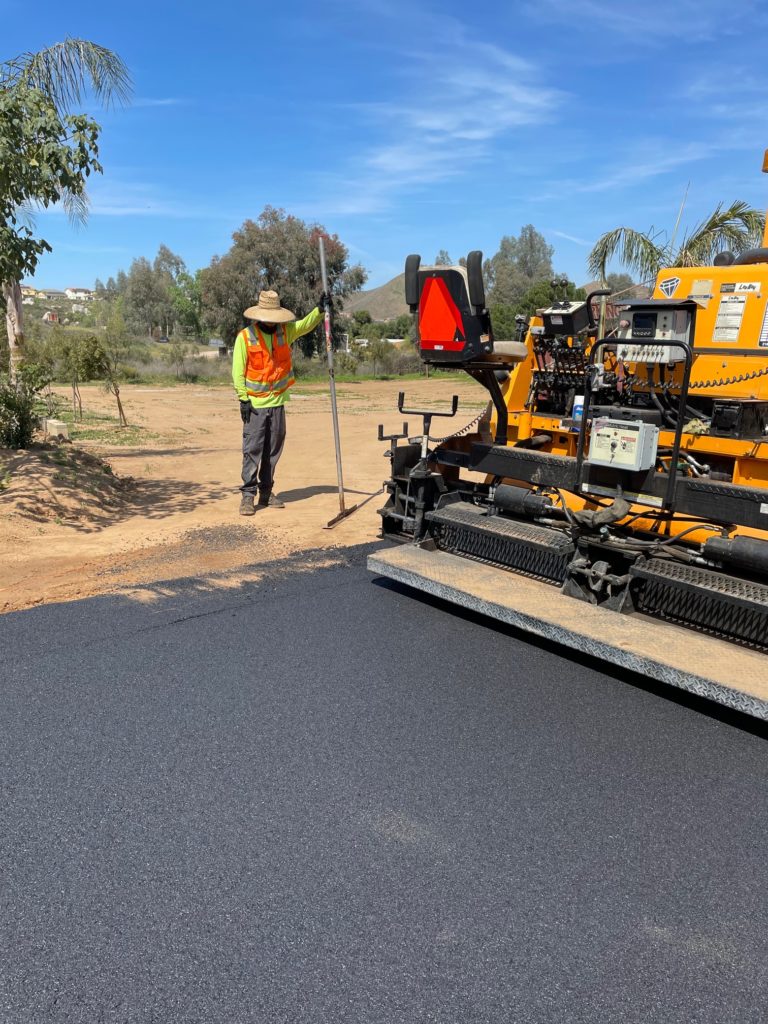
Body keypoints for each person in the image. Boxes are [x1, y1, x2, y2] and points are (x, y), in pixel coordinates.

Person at [232, 289, 327, 515]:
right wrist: (243, 399)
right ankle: (248, 496)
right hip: (255, 406)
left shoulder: (285, 332)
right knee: (252, 450)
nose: (271, 323)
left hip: (277, 404)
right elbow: (238, 371)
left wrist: (320, 310)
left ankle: (266, 492)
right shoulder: (245, 337)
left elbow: (305, 325)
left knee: (273, 450)